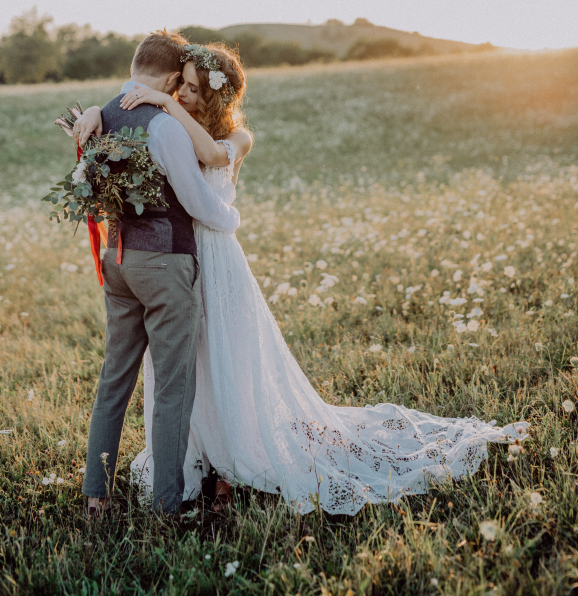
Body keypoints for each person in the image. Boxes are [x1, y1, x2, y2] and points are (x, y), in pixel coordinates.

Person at [76, 41, 529, 517]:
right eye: (181, 84)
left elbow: (210, 157)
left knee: (224, 359)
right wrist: (104, 111)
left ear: (212, 97)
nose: (185, 93)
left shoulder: (219, 133)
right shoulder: (157, 123)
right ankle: (192, 472)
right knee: (185, 371)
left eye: (193, 88)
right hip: (176, 257)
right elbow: (183, 188)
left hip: (200, 257)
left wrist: (145, 108)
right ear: (170, 79)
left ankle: (224, 465)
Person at [78, 32, 240, 519]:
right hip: (167, 265)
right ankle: (168, 504)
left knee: (114, 380)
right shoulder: (164, 126)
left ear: (134, 66)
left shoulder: (100, 117)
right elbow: (196, 202)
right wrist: (232, 219)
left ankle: (96, 496)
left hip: (118, 262)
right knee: (173, 387)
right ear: (173, 79)